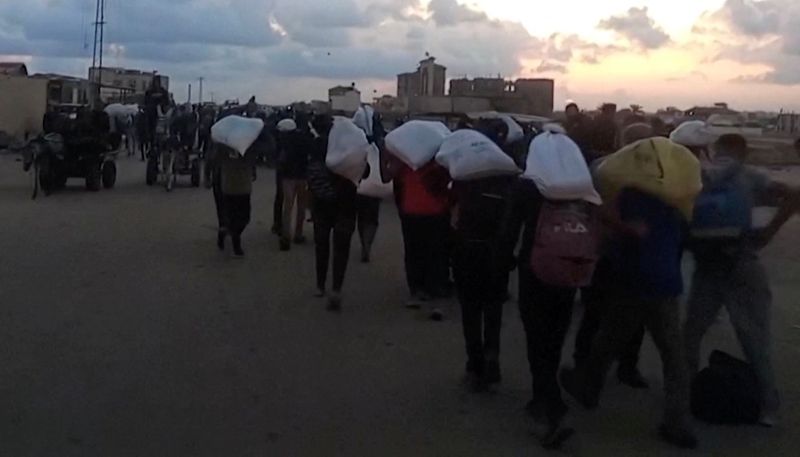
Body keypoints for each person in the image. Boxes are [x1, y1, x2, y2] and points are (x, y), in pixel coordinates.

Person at [560, 138, 699, 450]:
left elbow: (605, 217)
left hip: (633, 279)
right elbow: (684, 234)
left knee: (608, 339)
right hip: (665, 283)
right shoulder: (677, 199)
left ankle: (588, 389)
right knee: (672, 356)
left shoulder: (628, 193)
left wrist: (622, 230)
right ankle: (678, 423)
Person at [684, 134, 799, 427]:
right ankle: (768, 406)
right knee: (755, 338)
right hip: (742, 262)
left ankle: (683, 392)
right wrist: (770, 231)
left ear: (714, 150)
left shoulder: (698, 173)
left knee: (691, 333)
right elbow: (793, 196)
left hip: (707, 265)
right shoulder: (752, 176)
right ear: (744, 152)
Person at [572, 123, 654, 390]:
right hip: (631, 247)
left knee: (595, 311)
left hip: (603, 245)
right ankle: (626, 367)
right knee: (631, 314)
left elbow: (586, 205)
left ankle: (584, 364)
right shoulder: (654, 171)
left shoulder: (600, 166)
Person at [452, 123, 514, 391]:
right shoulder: (509, 177)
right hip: (497, 252)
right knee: (493, 309)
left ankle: (474, 364)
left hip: (468, 250)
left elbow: (452, 217)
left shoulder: (463, 177)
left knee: (470, 310)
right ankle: (492, 356)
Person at [385, 156, 452, 318]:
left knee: (415, 251)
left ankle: (417, 291)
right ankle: (434, 298)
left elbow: (387, 176)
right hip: (436, 210)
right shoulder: (441, 156)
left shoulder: (406, 156)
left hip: (413, 208)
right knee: (435, 254)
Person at [307, 115, 358, 311]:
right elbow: (364, 171)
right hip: (346, 202)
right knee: (341, 247)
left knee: (321, 244)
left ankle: (320, 285)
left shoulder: (316, 146)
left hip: (321, 204)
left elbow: (311, 173)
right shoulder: (349, 148)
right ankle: (336, 288)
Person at [209, 143, 255, 257]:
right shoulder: (225, 141)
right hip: (233, 184)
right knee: (237, 214)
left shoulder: (243, 141)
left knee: (234, 213)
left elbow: (212, 159)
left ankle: (227, 229)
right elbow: (213, 158)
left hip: (234, 183)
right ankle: (234, 235)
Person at [355, 110, 387, 263]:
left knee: (362, 216)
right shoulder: (380, 139)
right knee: (373, 217)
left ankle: (364, 243)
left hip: (360, 181)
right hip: (375, 181)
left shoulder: (356, 137)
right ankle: (368, 244)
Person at [278, 114, 311, 251]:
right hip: (302, 175)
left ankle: (286, 235)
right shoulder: (305, 138)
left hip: (288, 176)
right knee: (301, 206)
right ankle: (298, 233)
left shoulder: (283, 142)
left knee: (288, 206)